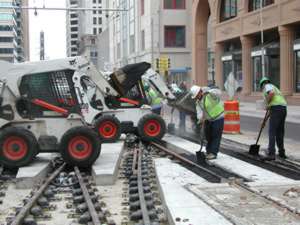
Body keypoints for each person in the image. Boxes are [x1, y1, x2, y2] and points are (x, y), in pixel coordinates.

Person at [190, 85, 224, 160]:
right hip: (209, 119)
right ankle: (208, 151)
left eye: (196, 95)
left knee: (215, 135)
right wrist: (200, 120)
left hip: (218, 117)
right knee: (208, 136)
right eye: (195, 97)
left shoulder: (210, 95)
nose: (196, 97)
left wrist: (209, 91)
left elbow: (218, 92)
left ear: (200, 92)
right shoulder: (198, 103)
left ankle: (213, 153)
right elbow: (199, 112)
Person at [259, 77, 287, 160]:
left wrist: (267, 102)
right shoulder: (275, 88)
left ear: (263, 84)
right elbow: (272, 110)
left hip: (276, 109)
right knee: (279, 131)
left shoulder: (267, 86)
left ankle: (271, 153)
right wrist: (264, 121)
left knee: (272, 131)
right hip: (283, 109)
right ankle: (282, 152)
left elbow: (271, 94)